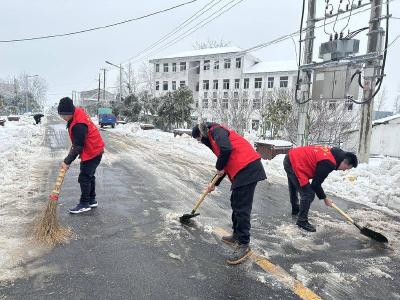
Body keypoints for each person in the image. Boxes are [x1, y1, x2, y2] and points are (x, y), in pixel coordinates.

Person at [192, 122, 266, 265]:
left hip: (248, 168)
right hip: (243, 169)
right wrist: (214, 183)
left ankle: (244, 244)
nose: (201, 142)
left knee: (242, 207)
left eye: (199, 139)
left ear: (202, 134)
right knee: (236, 202)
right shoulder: (213, 137)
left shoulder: (216, 131)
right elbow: (224, 164)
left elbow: (226, 150)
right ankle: (237, 235)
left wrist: (218, 166)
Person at [283, 145, 358, 232]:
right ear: (344, 162)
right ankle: (302, 221)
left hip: (292, 157)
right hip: (294, 162)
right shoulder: (329, 163)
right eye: (346, 168)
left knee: (295, 185)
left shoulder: (336, 154)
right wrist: (325, 198)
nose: (344, 170)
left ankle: (296, 210)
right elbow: (315, 185)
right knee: (308, 194)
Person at [57, 97, 104, 214]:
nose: (62, 118)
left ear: (69, 112)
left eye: (63, 115)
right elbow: (77, 143)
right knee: (89, 176)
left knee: (84, 178)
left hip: (92, 151)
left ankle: (84, 203)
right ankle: (92, 200)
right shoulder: (76, 114)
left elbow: (78, 146)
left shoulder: (79, 124)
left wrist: (67, 161)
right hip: (95, 149)